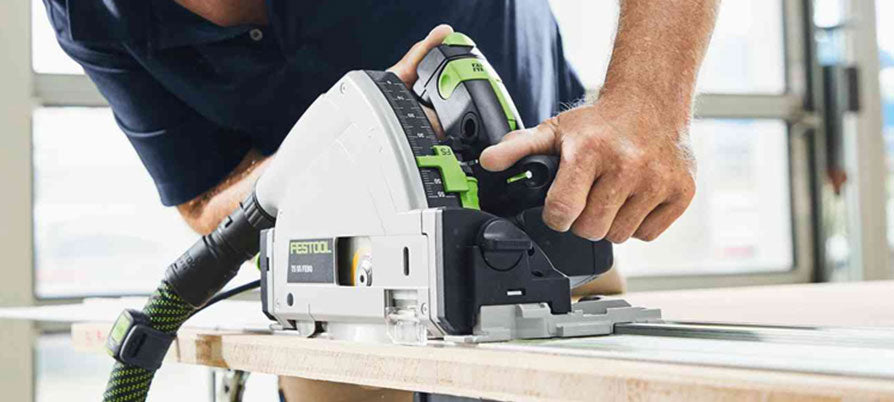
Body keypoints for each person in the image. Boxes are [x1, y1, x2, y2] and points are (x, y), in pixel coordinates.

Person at [42, 0, 718, 399]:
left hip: (544, 240)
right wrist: (337, 139)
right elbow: (206, 205)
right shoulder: (88, 10)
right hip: (347, 289)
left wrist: (646, 102)